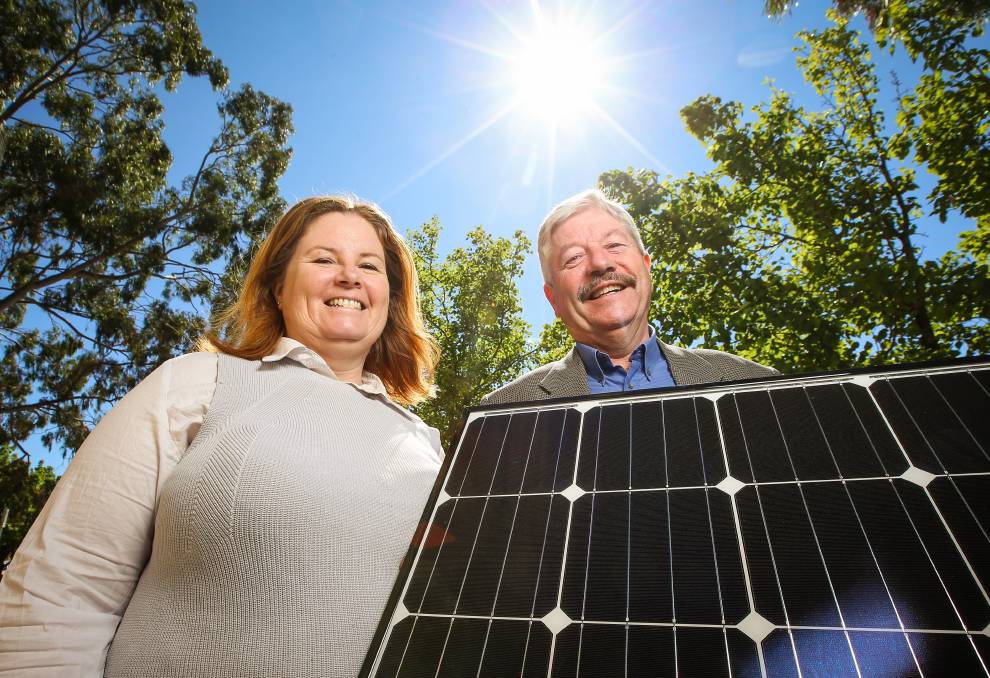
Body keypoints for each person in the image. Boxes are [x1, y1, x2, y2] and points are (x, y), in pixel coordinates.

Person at [0, 196, 442, 677]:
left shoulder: (429, 446)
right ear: (277, 287)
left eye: (369, 266)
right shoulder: (198, 382)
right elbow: (61, 584)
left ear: (391, 296)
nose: (349, 276)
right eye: (323, 259)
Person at [482, 189, 777, 405]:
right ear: (553, 300)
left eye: (613, 245)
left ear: (646, 268)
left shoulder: (757, 383)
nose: (600, 264)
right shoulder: (500, 410)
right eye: (573, 258)